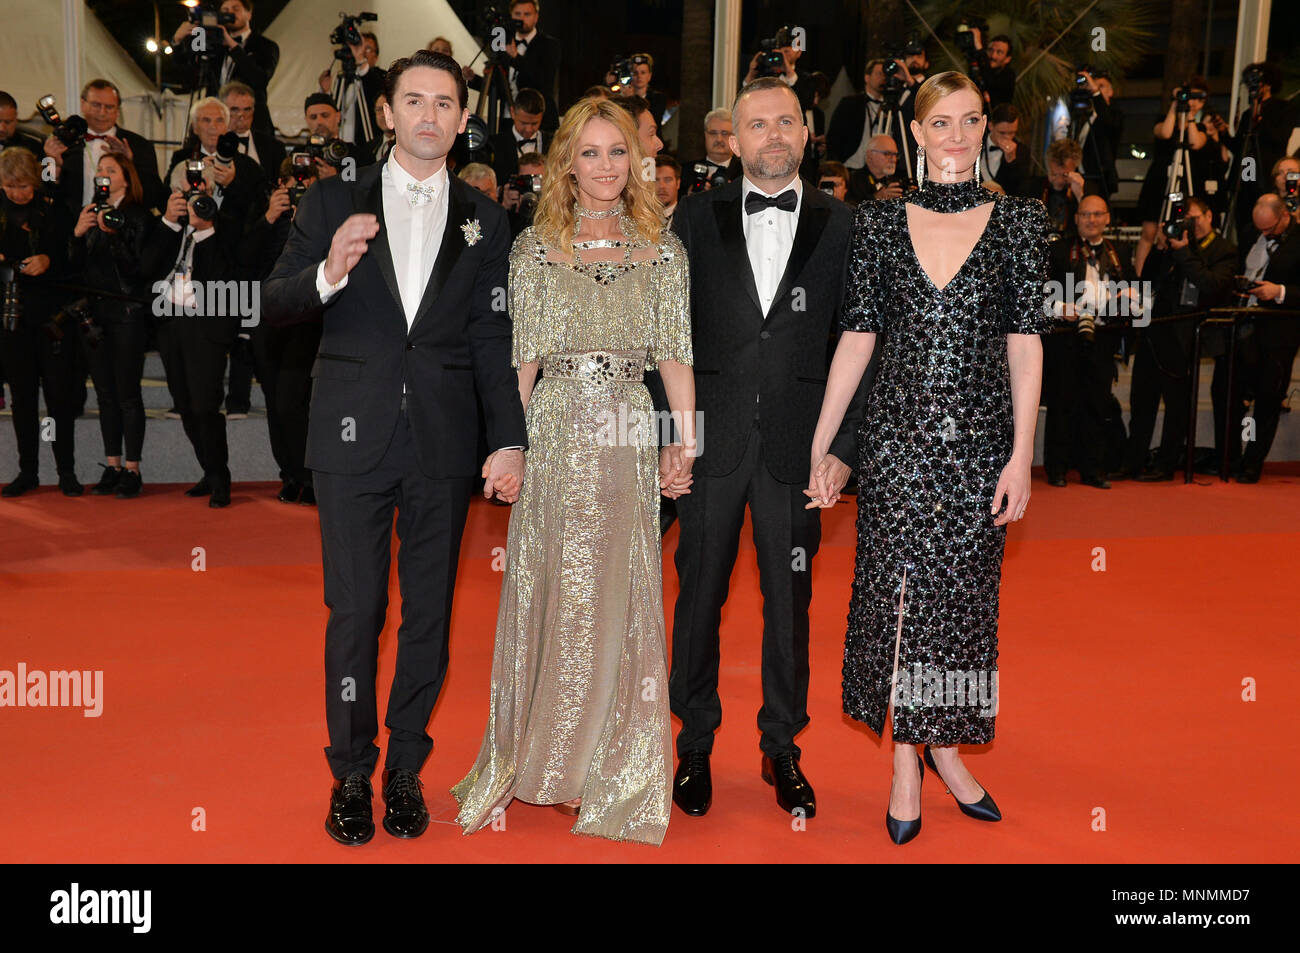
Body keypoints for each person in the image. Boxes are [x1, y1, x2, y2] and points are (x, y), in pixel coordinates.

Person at [262, 49, 527, 846]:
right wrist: (329, 274)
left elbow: (493, 336)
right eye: (413, 100)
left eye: (444, 103)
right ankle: (350, 771)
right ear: (386, 112)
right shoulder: (329, 201)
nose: (428, 116)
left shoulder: (487, 216)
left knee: (429, 616)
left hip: (444, 445)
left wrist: (509, 439)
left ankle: (406, 767)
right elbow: (273, 302)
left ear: (461, 116)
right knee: (355, 610)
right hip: (350, 439)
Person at [807, 71, 1049, 844]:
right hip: (899, 443)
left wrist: (1020, 456)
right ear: (914, 132)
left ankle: (945, 744)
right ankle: (908, 757)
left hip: (980, 448)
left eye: (969, 121)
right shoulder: (877, 225)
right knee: (903, 597)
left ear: (986, 130)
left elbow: (1024, 343)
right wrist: (823, 436)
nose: (955, 135)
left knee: (965, 604)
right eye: (939, 122)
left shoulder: (1019, 223)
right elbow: (858, 335)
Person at [452, 95, 694, 846]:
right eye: (589, 152)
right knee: (551, 590)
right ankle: (545, 759)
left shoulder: (662, 248)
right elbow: (521, 358)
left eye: (617, 151)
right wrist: (507, 444)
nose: (604, 166)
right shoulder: (534, 247)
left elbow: (676, 356)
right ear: (566, 162)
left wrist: (683, 442)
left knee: (620, 596)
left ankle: (607, 763)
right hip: (554, 425)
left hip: (625, 423)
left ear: (638, 161)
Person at [662, 76, 871, 821]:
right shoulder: (689, 218)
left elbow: (864, 341)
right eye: (758, 125)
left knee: (790, 605)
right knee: (698, 600)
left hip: (799, 450)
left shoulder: (845, 225)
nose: (773, 135)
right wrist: (668, 438)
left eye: (787, 122)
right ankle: (693, 743)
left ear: (808, 133)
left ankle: (782, 745)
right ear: (733, 139)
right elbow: (665, 337)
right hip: (708, 446)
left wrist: (844, 446)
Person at [1121, 194, 1235, 481]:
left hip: (1184, 336)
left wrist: (1184, 251)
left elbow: (1211, 285)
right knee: (1141, 402)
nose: (1188, 224)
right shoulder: (1171, 244)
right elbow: (1147, 282)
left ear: (1210, 217)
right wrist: (1160, 248)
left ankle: (1166, 465)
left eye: (1193, 218)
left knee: (1176, 407)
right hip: (1152, 331)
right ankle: (1132, 461)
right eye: (1184, 219)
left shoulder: (1223, 249)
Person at [68, 152, 155, 498]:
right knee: (105, 394)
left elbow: (138, 270)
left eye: (111, 170)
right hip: (93, 313)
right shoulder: (89, 212)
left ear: (125, 177)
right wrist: (77, 234)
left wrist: (115, 233)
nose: (103, 175)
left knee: (128, 394)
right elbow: (74, 267)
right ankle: (113, 464)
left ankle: (133, 469)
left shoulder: (137, 216)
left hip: (127, 314)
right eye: (100, 169)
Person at [1041, 194, 1136, 489]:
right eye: (1085, 215)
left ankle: (1094, 470)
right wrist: (1060, 309)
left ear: (1108, 218)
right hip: (1066, 339)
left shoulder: (1119, 251)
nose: (1092, 220)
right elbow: (1037, 296)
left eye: (1097, 214)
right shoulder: (1057, 251)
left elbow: (1139, 297)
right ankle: (1056, 469)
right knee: (1061, 403)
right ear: (1076, 218)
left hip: (1104, 339)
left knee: (1098, 405)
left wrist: (1128, 301)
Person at [0, 147, 79, 497]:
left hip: (50, 315)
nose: (18, 193)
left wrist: (48, 259)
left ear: (35, 181)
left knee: (58, 398)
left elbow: (72, 260)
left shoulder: (51, 210)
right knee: (22, 398)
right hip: (10, 318)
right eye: (10, 186)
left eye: (24, 186)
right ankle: (28, 470)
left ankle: (66, 470)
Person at [43, 79, 164, 217]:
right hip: (71, 226)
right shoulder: (61, 141)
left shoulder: (139, 145)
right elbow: (43, 188)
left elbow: (154, 196)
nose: (102, 113)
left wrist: (129, 164)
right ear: (83, 104)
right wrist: (52, 164)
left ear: (118, 110)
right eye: (96, 105)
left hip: (123, 226)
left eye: (109, 107)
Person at [171, 0, 279, 135]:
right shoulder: (213, 44)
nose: (230, 14)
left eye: (235, 9)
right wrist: (177, 41)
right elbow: (186, 75)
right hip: (215, 123)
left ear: (249, 14)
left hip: (251, 125)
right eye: (225, 11)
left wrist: (232, 45)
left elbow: (260, 78)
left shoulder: (266, 46)